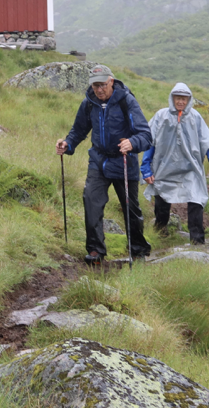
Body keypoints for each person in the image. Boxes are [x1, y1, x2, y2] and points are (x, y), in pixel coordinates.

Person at [56, 64, 153, 265]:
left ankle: (138, 251)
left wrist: (132, 143)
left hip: (124, 162)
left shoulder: (126, 101)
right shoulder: (89, 102)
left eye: (102, 85)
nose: (99, 90)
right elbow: (78, 130)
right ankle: (95, 251)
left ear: (111, 81)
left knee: (130, 208)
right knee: (91, 200)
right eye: (95, 86)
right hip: (98, 161)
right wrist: (68, 144)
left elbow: (145, 135)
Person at [141, 83, 209, 245]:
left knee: (196, 201)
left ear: (189, 99)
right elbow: (149, 142)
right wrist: (146, 169)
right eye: (177, 98)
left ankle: (197, 241)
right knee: (162, 203)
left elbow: (207, 142)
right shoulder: (161, 116)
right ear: (172, 98)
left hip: (191, 169)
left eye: (184, 98)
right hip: (164, 168)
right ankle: (160, 233)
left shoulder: (195, 118)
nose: (180, 101)